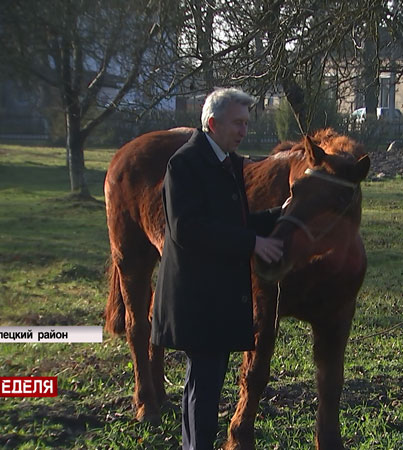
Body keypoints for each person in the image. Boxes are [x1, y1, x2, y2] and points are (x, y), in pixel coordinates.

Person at [151, 87, 284, 450]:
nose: (244, 130)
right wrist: (253, 243)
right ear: (212, 123)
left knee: (203, 382)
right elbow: (187, 229)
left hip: (214, 296)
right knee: (204, 385)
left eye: (246, 123)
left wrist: (280, 214)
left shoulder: (225, 160)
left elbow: (234, 221)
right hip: (196, 298)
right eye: (238, 123)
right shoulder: (186, 163)